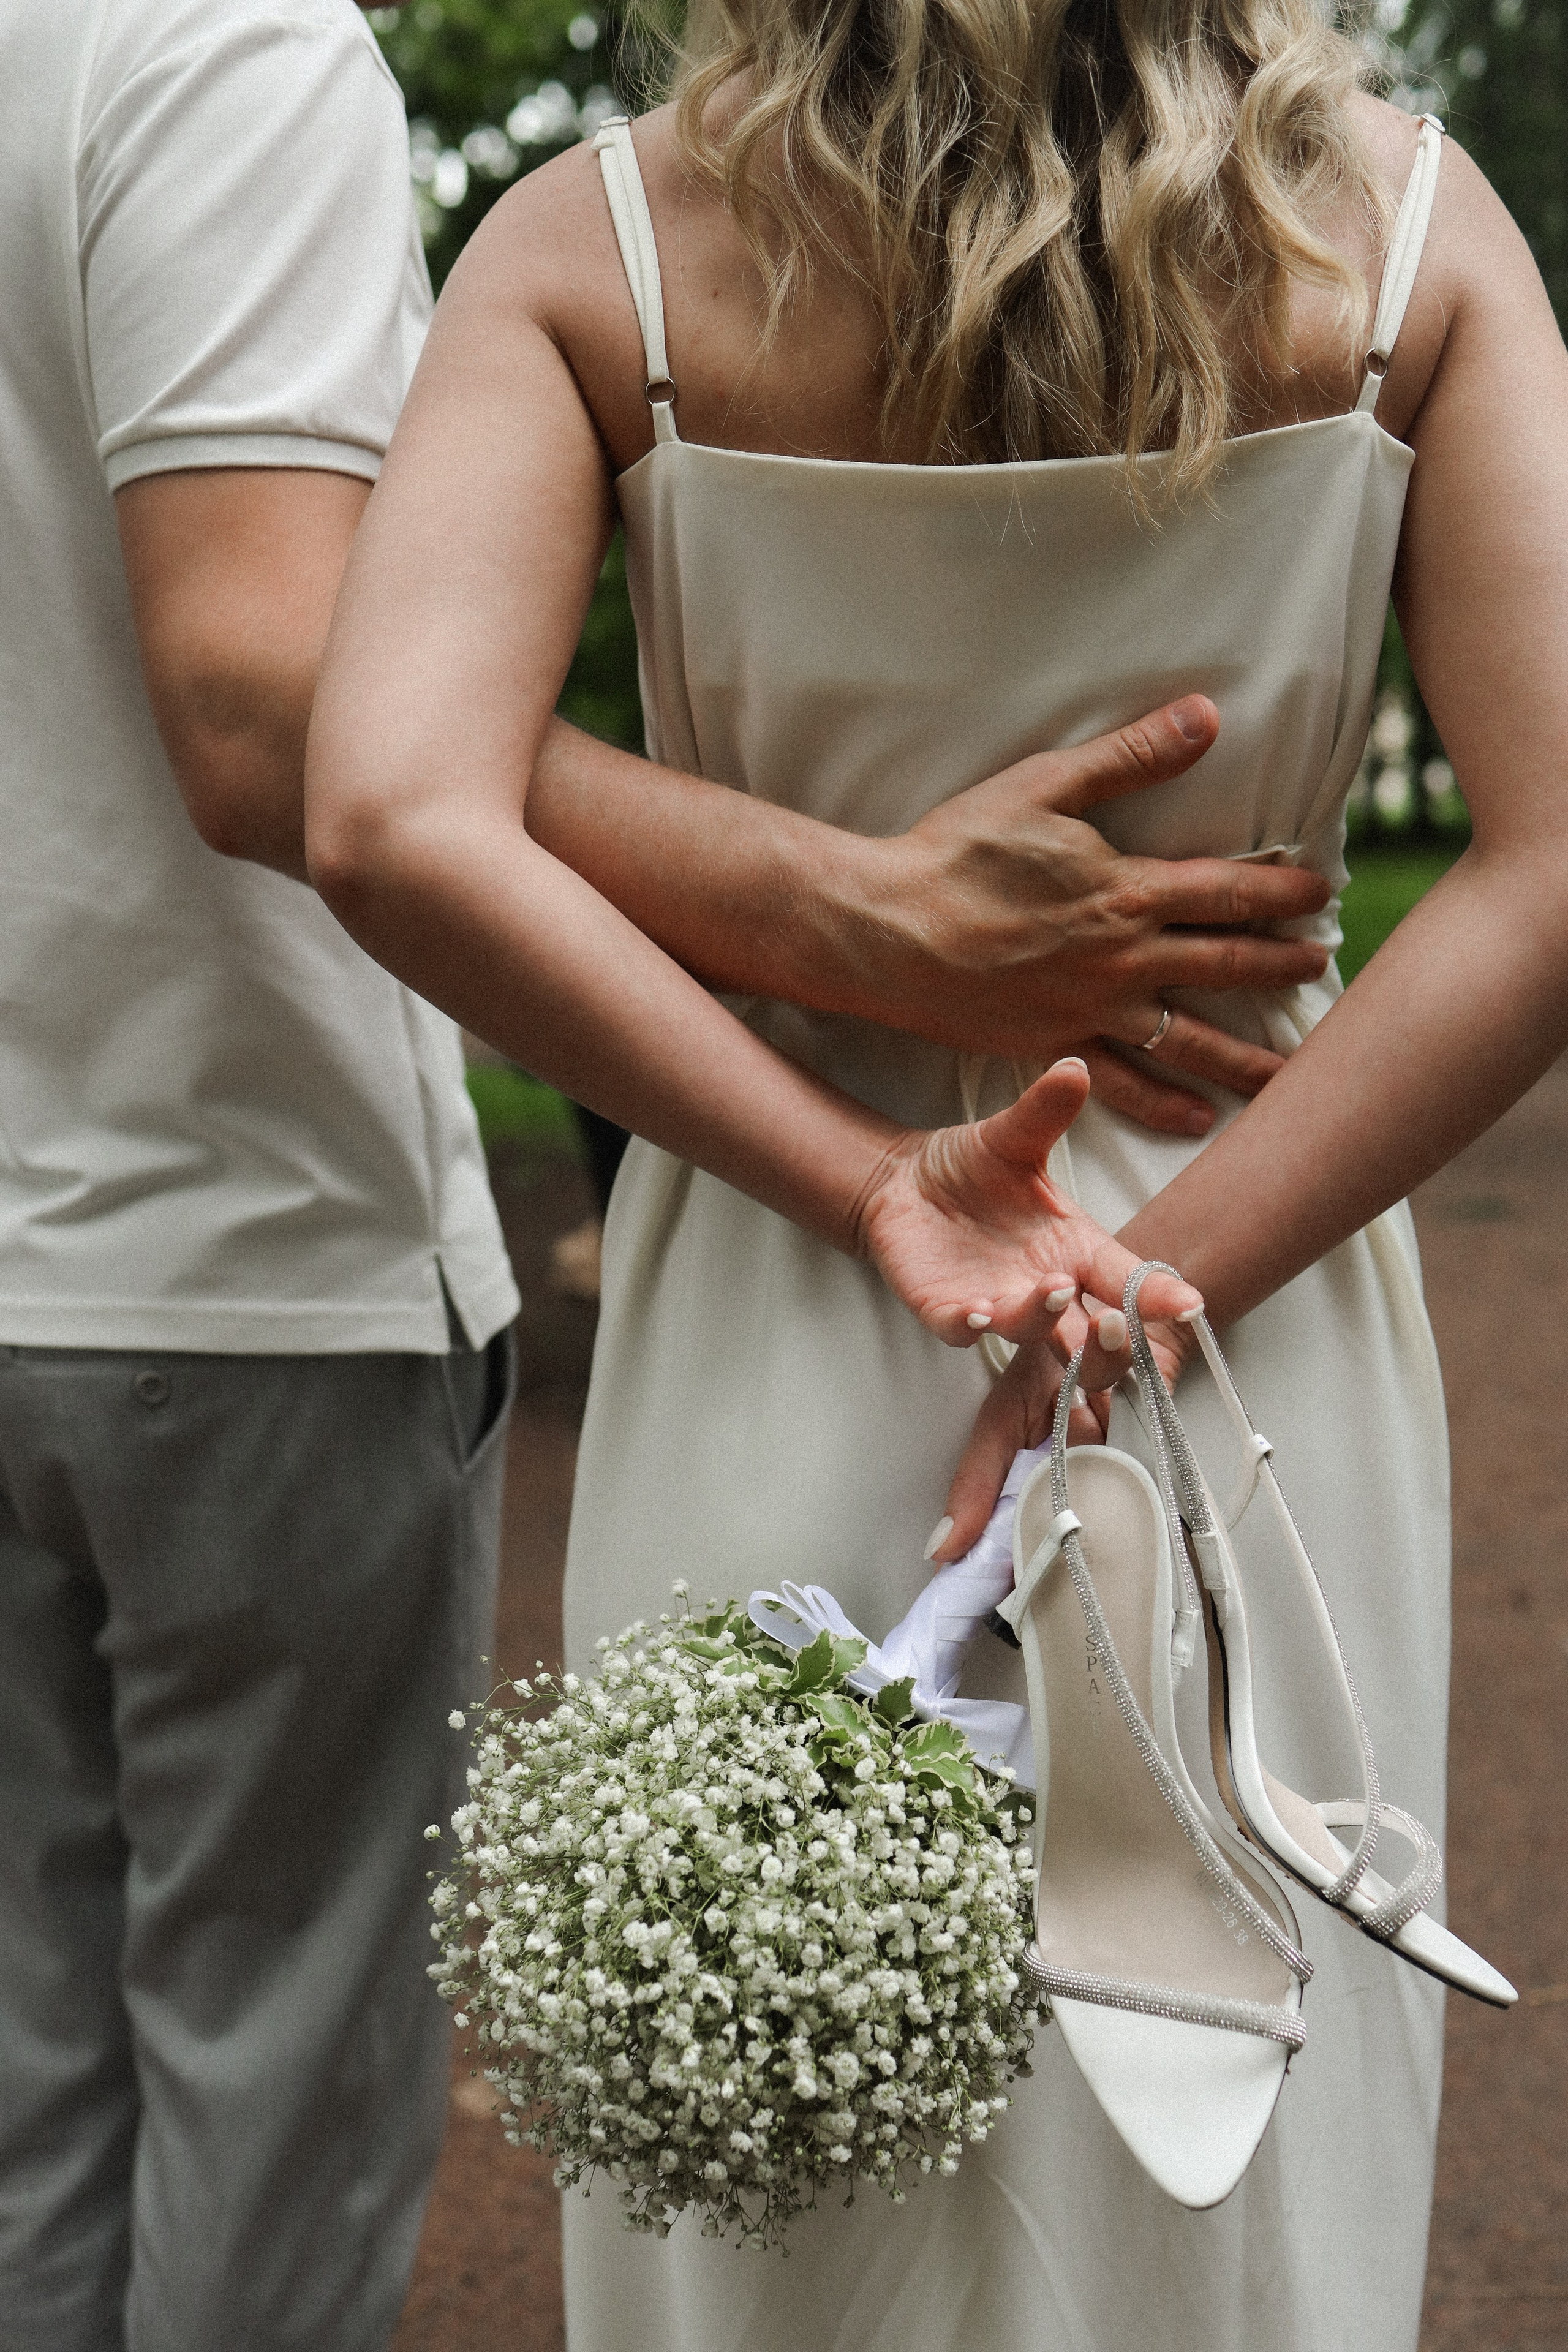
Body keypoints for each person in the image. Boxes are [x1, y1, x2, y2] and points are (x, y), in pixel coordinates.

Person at [304, 0, 1568, 2339]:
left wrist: (868, 1178)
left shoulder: (597, 258)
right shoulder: (1406, 246)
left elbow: (388, 809)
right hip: (1245, 1336)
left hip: (798, 1296)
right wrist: (1145, 1285)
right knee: (1226, 2169)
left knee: (785, 2194)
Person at [0, 5, 524, 2346]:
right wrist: (828, 895)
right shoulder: (216, 38)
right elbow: (266, 707)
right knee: (274, 2140)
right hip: (253, 1256)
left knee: (28, 2130)